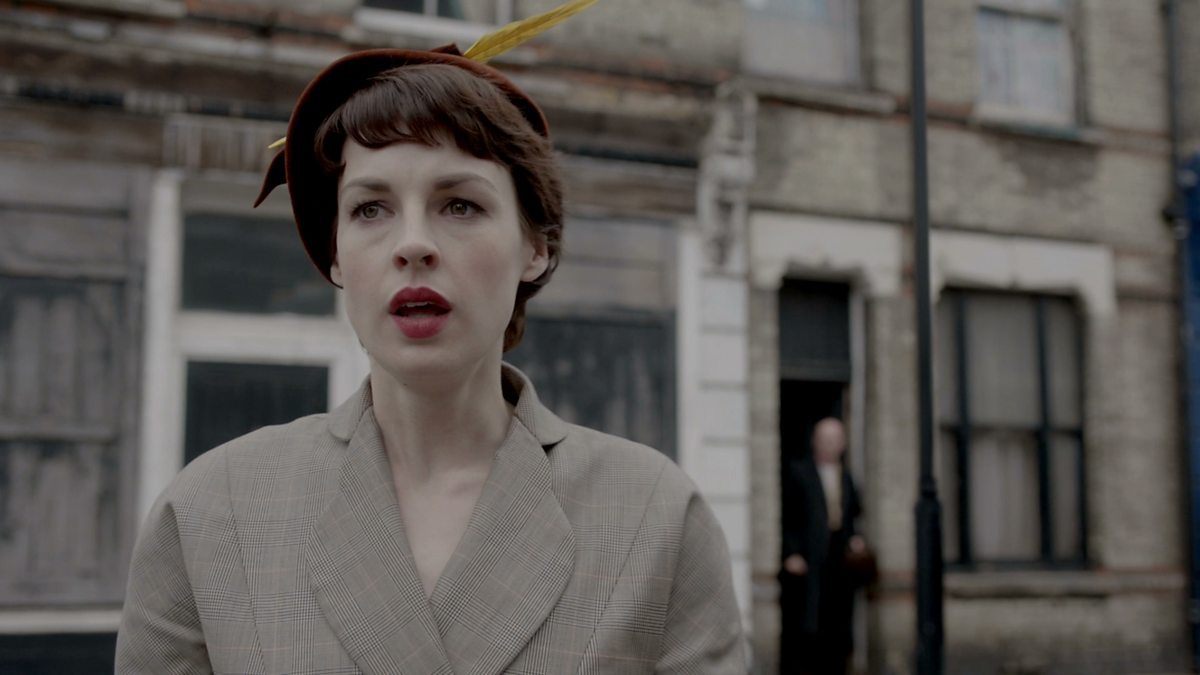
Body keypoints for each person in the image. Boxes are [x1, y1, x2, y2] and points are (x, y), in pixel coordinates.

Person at [115, 7, 745, 673]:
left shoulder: (655, 520)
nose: (413, 243)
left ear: (534, 246)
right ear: (336, 255)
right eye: (370, 208)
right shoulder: (209, 515)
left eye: (460, 204)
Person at [779, 418, 865, 675]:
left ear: (843, 443)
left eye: (835, 440)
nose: (830, 445)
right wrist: (792, 552)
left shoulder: (847, 477)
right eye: (825, 440)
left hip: (838, 561)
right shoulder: (799, 473)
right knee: (808, 623)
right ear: (815, 442)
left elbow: (853, 515)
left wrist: (854, 539)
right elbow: (788, 517)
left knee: (838, 622)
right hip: (809, 560)